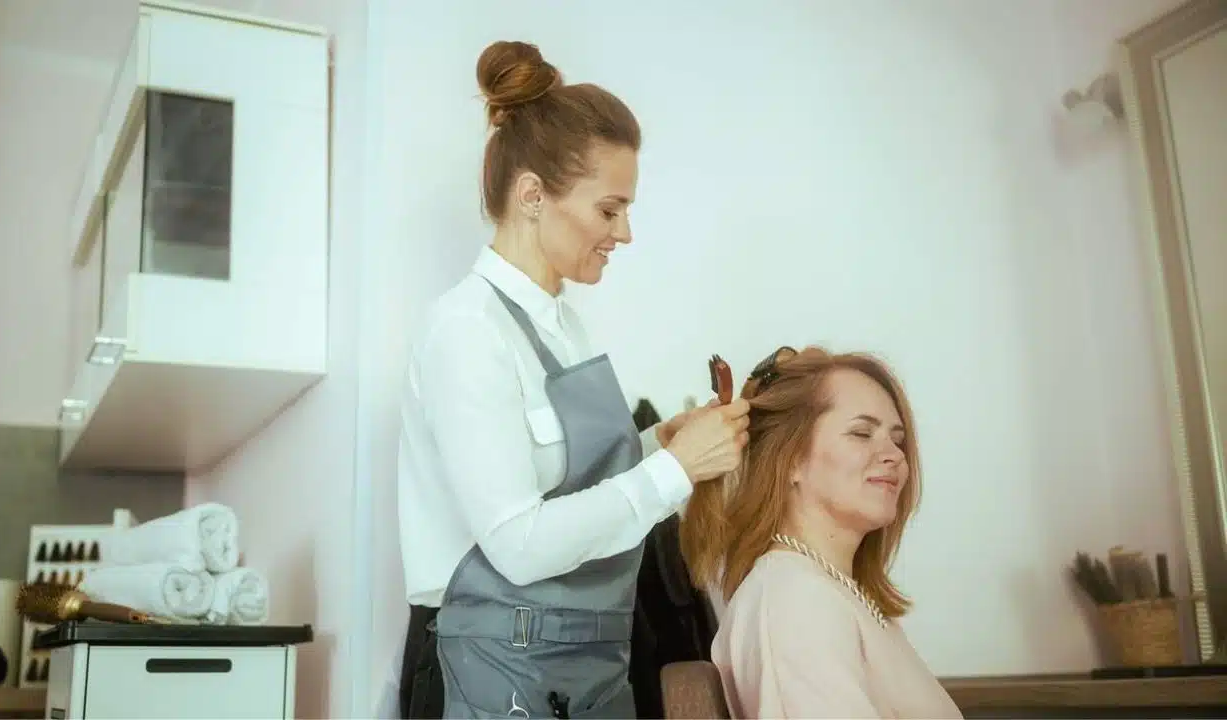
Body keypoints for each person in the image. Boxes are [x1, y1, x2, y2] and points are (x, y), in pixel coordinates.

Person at [396, 40, 751, 720]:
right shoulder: (466, 331)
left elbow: (569, 487)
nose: (625, 233)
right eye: (609, 209)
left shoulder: (565, 326)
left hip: (578, 667)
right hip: (487, 671)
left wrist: (656, 443)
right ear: (532, 196)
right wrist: (673, 471)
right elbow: (518, 544)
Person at [680, 346, 961, 719]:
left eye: (897, 439)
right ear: (791, 459)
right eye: (862, 433)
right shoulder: (794, 600)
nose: (894, 454)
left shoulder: (836, 592)